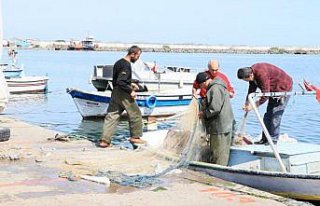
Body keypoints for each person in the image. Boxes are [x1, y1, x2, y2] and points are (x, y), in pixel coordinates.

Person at [98, 45, 144, 148]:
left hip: (115, 92)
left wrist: (130, 83)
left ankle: (104, 141)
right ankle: (135, 137)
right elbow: (121, 81)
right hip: (123, 93)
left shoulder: (118, 62)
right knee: (135, 114)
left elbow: (118, 80)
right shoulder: (126, 65)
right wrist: (130, 90)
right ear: (132, 54)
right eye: (138, 56)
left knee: (112, 116)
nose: (138, 59)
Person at [237, 63, 293, 145]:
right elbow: (252, 88)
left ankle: (273, 141)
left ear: (250, 75)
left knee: (275, 115)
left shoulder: (261, 73)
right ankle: (265, 139)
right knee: (267, 116)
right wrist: (247, 101)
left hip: (283, 88)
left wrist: (254, 105)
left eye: (246, 80)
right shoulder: (252, 73)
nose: (247, 81)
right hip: (273, 91)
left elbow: (265, 94)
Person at [197, 72, 235, 166]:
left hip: (220, 126)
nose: (202, 88)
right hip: (224, 124)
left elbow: (215, 108)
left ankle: (219, 172)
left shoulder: (215, 88)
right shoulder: (218, 86)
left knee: (219, 153)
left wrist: (204, 114)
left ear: (203, 83)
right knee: (220, 151)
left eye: (201, 86)